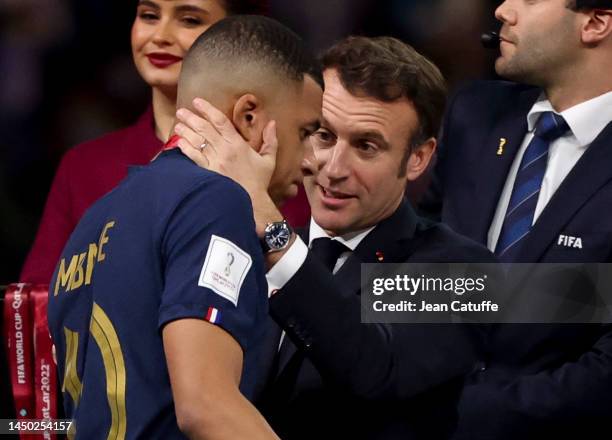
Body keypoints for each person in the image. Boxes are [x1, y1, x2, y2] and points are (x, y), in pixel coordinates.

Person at [176, 36, 493, 439]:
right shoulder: (245, 246)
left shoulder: (461, 270)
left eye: (365, 146)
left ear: (417, 158)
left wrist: (276, 239)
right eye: (322, 135)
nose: (332, 168)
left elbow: (375, 371)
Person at [48, 15, 323, 439]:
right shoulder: (217, 201)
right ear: (249, 116)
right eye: (305, 132)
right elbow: (206, 407)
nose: (310, 160)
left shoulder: (93, 219)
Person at [420, 0, 612, 438]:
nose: (503, 10)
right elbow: (413, 266)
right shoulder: (473, 113)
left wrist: (465, 414)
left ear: (595, 22)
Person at [20, 0, 311, 285]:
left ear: (244, 34)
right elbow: (36, 305)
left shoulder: (294, 167)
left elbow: (346, 313)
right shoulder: (85, 166)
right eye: (149, 15)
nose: (160, 36)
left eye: (190, 20)